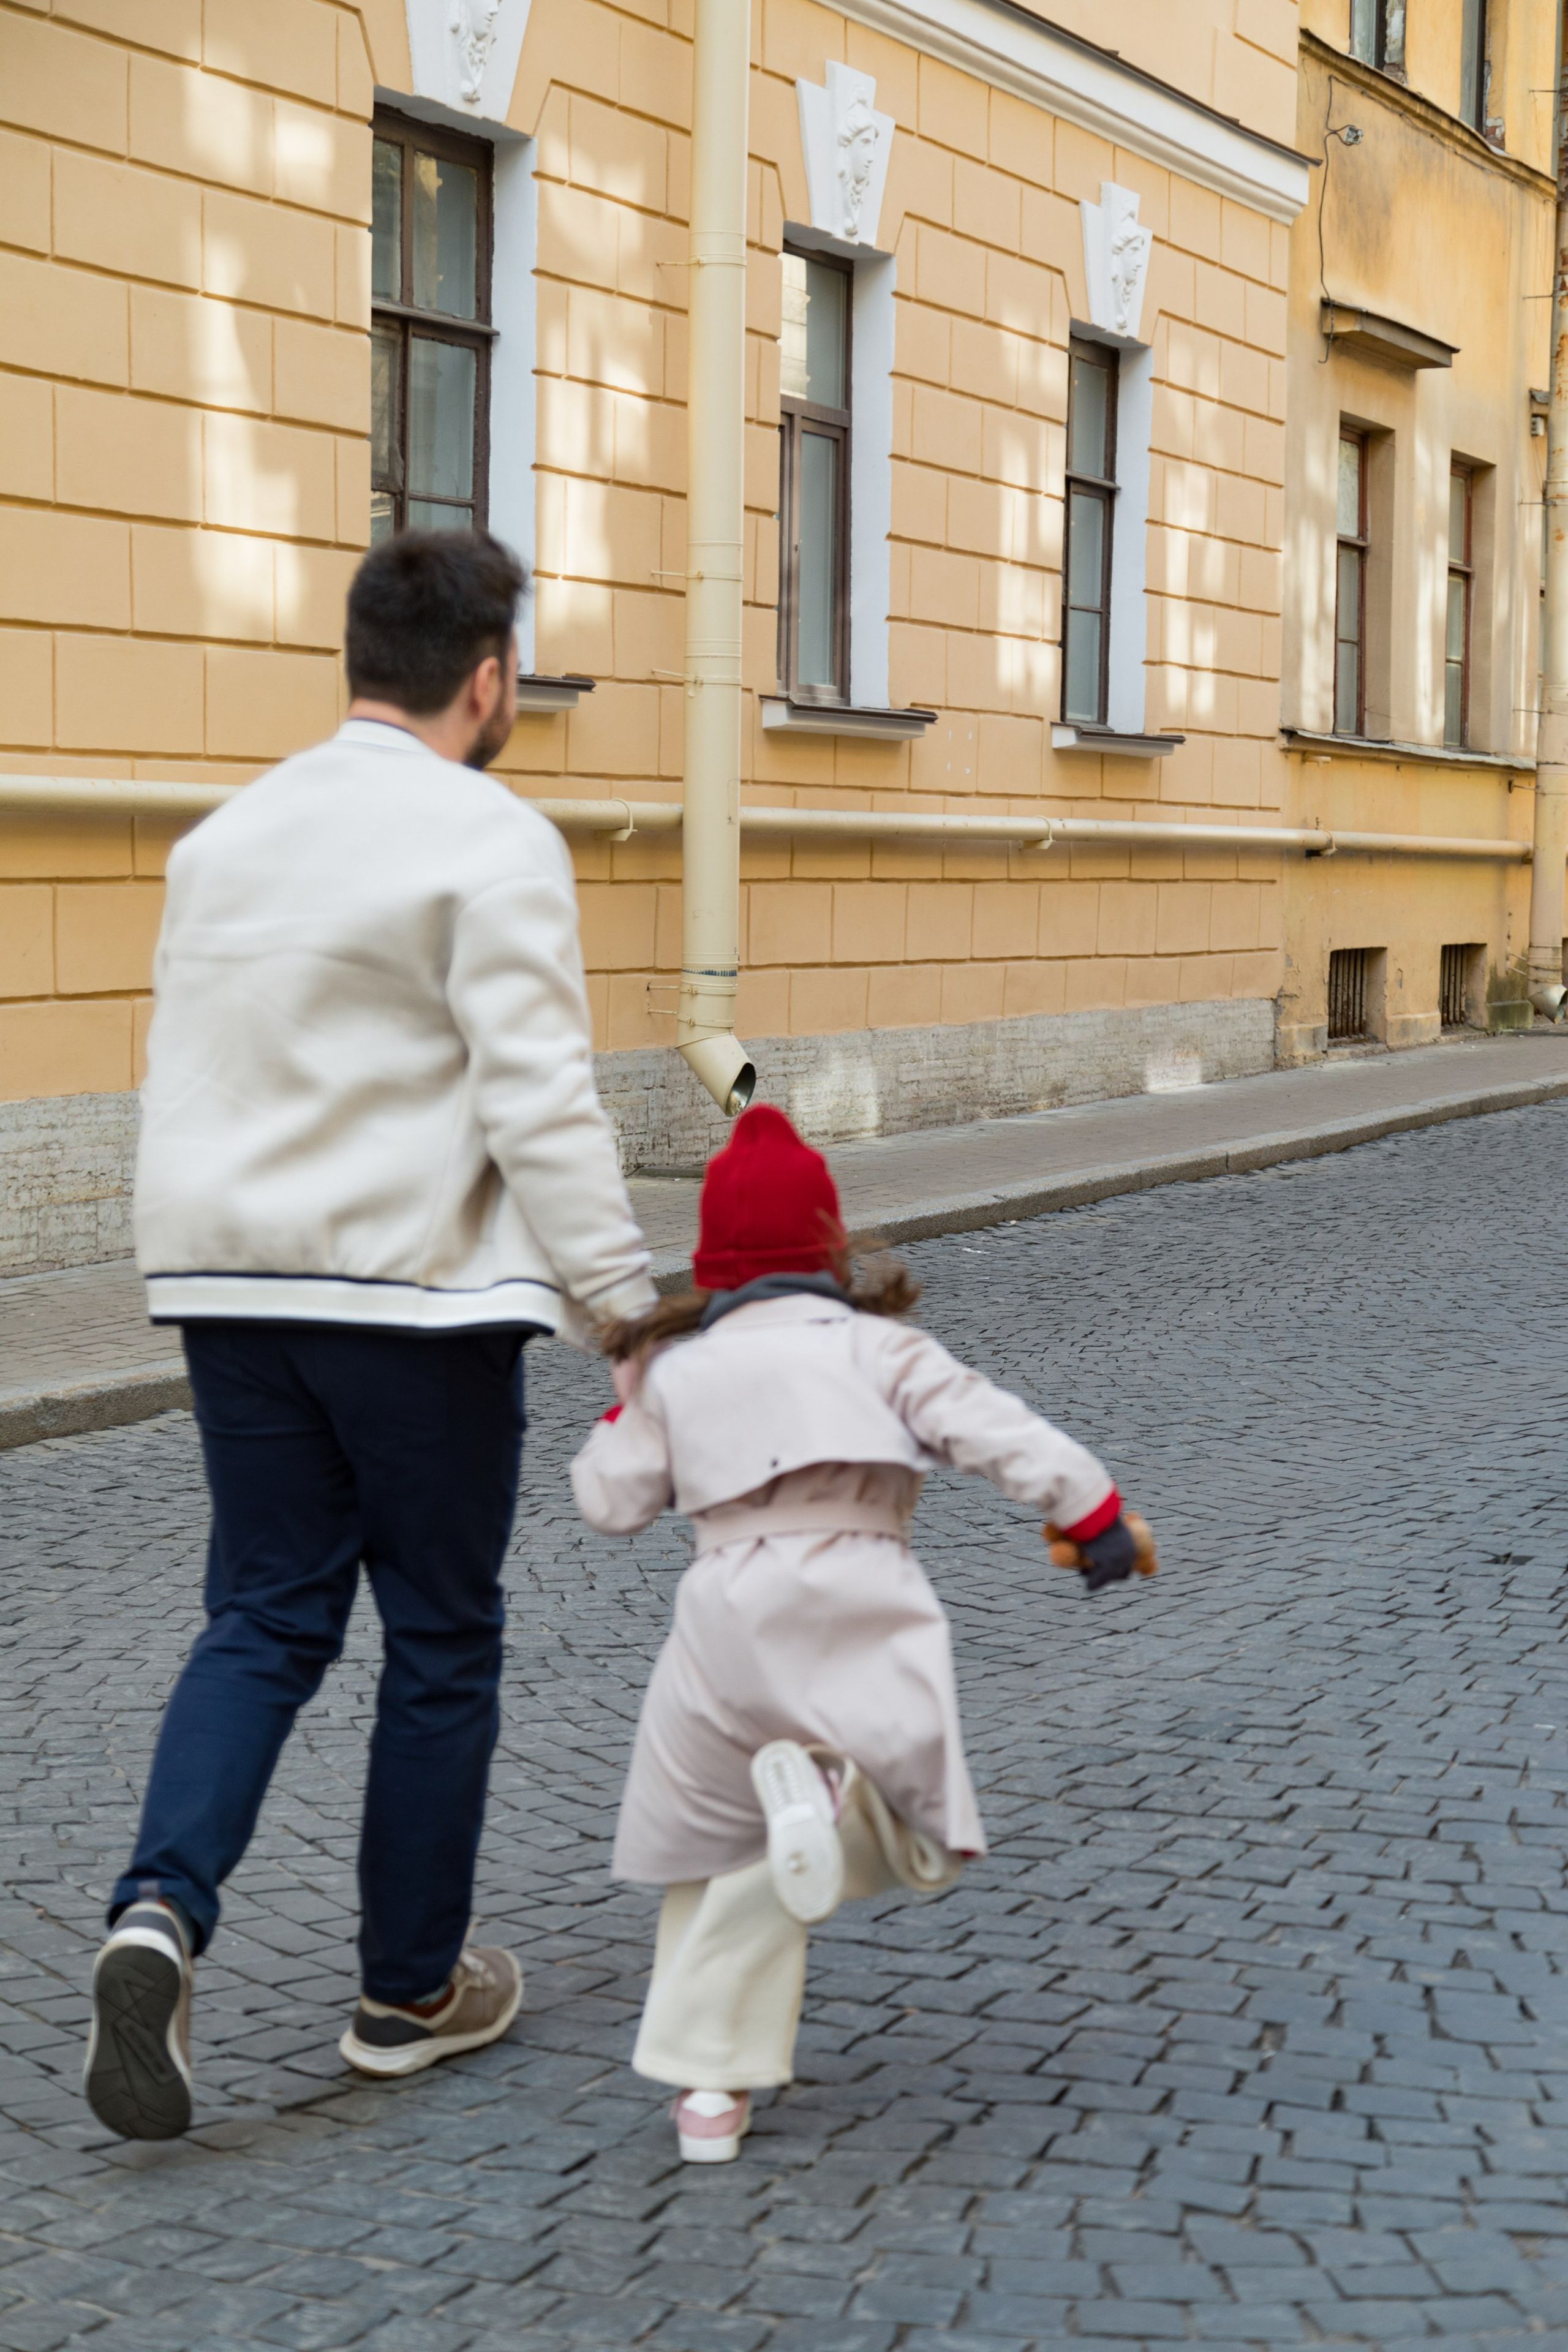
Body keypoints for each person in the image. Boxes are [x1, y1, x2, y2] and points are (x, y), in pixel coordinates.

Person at [84, 531, 657, 2143]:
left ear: (359, 662)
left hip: (229, 1286)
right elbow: (540, 1101)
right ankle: (409, 1994)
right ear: (489, 677)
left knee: (262, 1614)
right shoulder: (491, 840)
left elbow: (190, 1066)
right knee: (441, 1632)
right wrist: (624, 1306)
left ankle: (157, 1912)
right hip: (414, 1300)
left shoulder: (224, 840)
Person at [570, 1105, 1156, 2164]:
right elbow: (1000, 1433)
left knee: (710, 1847)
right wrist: (1093, 1515)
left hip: (721, 1617)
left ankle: (710, 2090)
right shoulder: (885, 1348)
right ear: (828, 1245)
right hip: (859, 1590)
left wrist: (626, 1402)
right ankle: (832, 1806)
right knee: (906, 1813)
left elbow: (610, 1505)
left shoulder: (676, 1371)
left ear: (710, 1260)